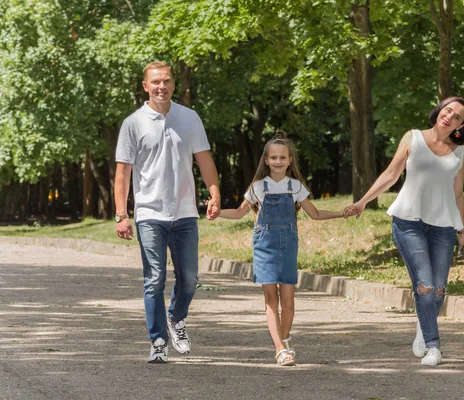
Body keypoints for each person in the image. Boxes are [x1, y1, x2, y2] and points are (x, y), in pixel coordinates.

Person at [344, 96, 464, 366]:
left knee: (438, 290)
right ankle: (434, 347)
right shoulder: (412, 138)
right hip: (408, 221)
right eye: (448, 110)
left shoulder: (459, 152)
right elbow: (391, 175)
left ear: (461, 125)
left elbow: (457, 193)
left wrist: (462, 231)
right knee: (424, 286)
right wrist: (363, 201)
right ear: (439, 110)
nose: (450, 117)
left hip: (444, 227)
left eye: (457, 117)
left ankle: (422, 326)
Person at [114, 61, 221, 363]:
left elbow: (204, 160)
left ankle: (176, 317)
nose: (162, 86)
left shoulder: (189, 118)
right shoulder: (133, 123)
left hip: (185, 213)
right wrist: (122, 214)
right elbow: (122, 174)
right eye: (156, 82)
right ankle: (158, 340)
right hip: (149, 214)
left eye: (167, 81)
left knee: (189, 278)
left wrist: (214, 194)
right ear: (145, 86)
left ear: (173, 84)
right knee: (154, 279)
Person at [218, 131, 345, 366]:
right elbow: (238, 213)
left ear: (290, 161)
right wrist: (216, 213)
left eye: (282, 158)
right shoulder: (258, 187)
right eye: (273, 158)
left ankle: (285, 340)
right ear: (266, 160)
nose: (278, 161)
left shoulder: (295, 186)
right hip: (264, 246)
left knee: (288, 302)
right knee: (271, 300)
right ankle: (279, 349)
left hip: (288, 246)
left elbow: (315, 214)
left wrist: (342, 213)